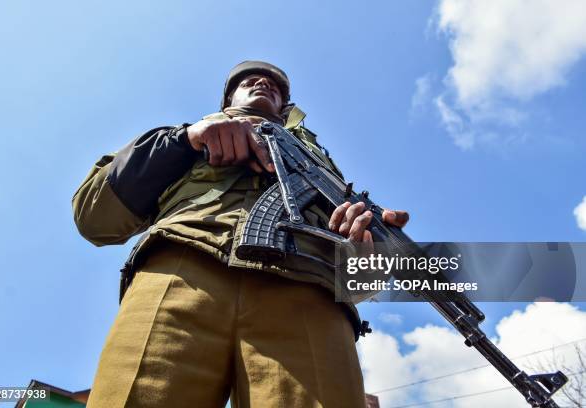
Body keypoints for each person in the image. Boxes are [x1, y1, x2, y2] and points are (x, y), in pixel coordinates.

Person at [72, 61, 408, 407]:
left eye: (276, 85)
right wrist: (187, 140)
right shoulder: (175, 141)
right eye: (250, 79)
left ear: (286, 107)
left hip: (308, 291)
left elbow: (360, 285)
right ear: (228, 98)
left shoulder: (323, 166)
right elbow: (93, 216)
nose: (264, 81)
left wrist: (364, 253)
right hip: (180, 273)